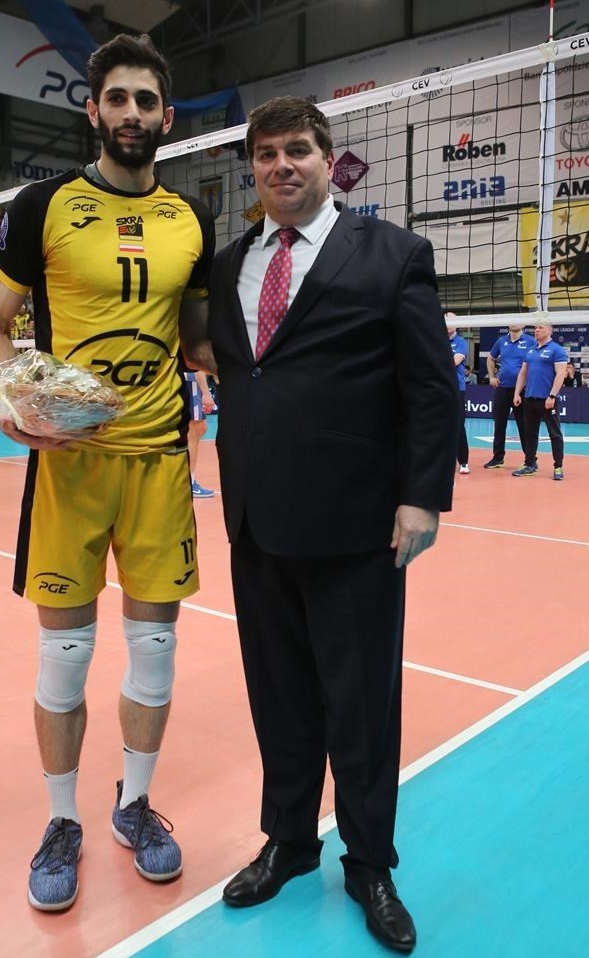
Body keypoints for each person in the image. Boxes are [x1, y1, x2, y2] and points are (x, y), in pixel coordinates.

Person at [208, 96, 458, 953]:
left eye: (298, 150)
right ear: (252, 166)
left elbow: (430, 387)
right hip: (256, 522)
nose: (282, 165)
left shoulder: (392, 253)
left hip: (355, 526)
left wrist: (421, 495)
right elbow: (238, 372)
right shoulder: (229, 263)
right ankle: (287, 841)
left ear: (327, 158)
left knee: (360, 707)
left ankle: (369, 862)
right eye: (266, 153)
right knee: (278, 699)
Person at [0, 33, 214, 912]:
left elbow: (198, 342)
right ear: (93, 110)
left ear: (166, 116)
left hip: (158, 464)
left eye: (145, 100)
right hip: (70, 468)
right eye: (117, 98)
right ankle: (61, 820)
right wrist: (10, 401)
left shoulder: (192, 219)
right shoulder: (42, 205)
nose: (131, 113)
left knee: (154, 651)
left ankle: (134, 805)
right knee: (65, 657)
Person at [512, 317, 567, 480]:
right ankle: (529, 464)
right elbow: (523, 373)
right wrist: (517, 393)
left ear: (549, 330)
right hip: (530, 399)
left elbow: (561, 374)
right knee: (530, 433)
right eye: (535, 328)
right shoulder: (530, 350)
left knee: (554, 434)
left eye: (540, 327)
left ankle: (558, 467)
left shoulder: (557, 350)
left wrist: (552, 396)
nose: (536, 330)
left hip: (547, 400)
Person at [483, 324, 535, 469]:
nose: (514, 323)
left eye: (517, 321)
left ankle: (530, 460)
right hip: (502, 388)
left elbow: (536, 361)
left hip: (522, 390)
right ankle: (498, 458)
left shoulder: (530, 341)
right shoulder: (501, 341)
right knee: (499, 424)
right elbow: (490, 358)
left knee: (524, 425)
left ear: (523, 324)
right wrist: (492, 377)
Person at [185, 369, 215, 498]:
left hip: (189, 382)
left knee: (201, 428)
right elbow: (198, 367)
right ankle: (189, 483)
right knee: (194, 432)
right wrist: (206, 394)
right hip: (191, 382)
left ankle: (187, 481)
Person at [446, 313, 470, 474]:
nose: (448, 324)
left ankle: (463, 462)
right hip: (438, 389)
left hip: (456, 388)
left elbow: (456, 361)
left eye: (451, 320)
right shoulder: (436, 339)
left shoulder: (461, 342)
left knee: (458, 425)